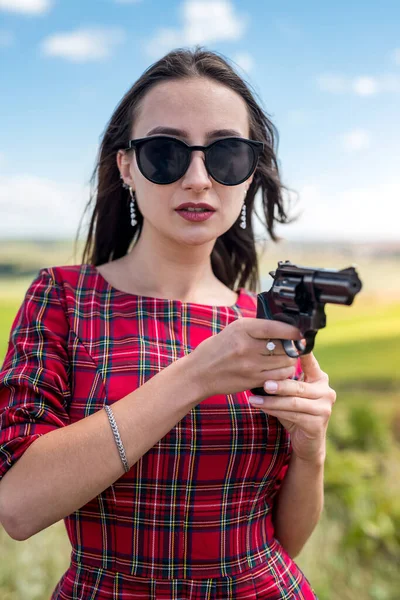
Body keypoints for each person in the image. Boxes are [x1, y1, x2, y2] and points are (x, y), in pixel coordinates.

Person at [0, 47, 336, 599]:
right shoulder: (63, 298)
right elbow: (17, 507)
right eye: (165, 153)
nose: (199, 178)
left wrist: (311, 450)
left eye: (226, 153)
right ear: (127, 166)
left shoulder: (265, 324)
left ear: (250, 174)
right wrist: (195, 376)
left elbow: (285, 542)